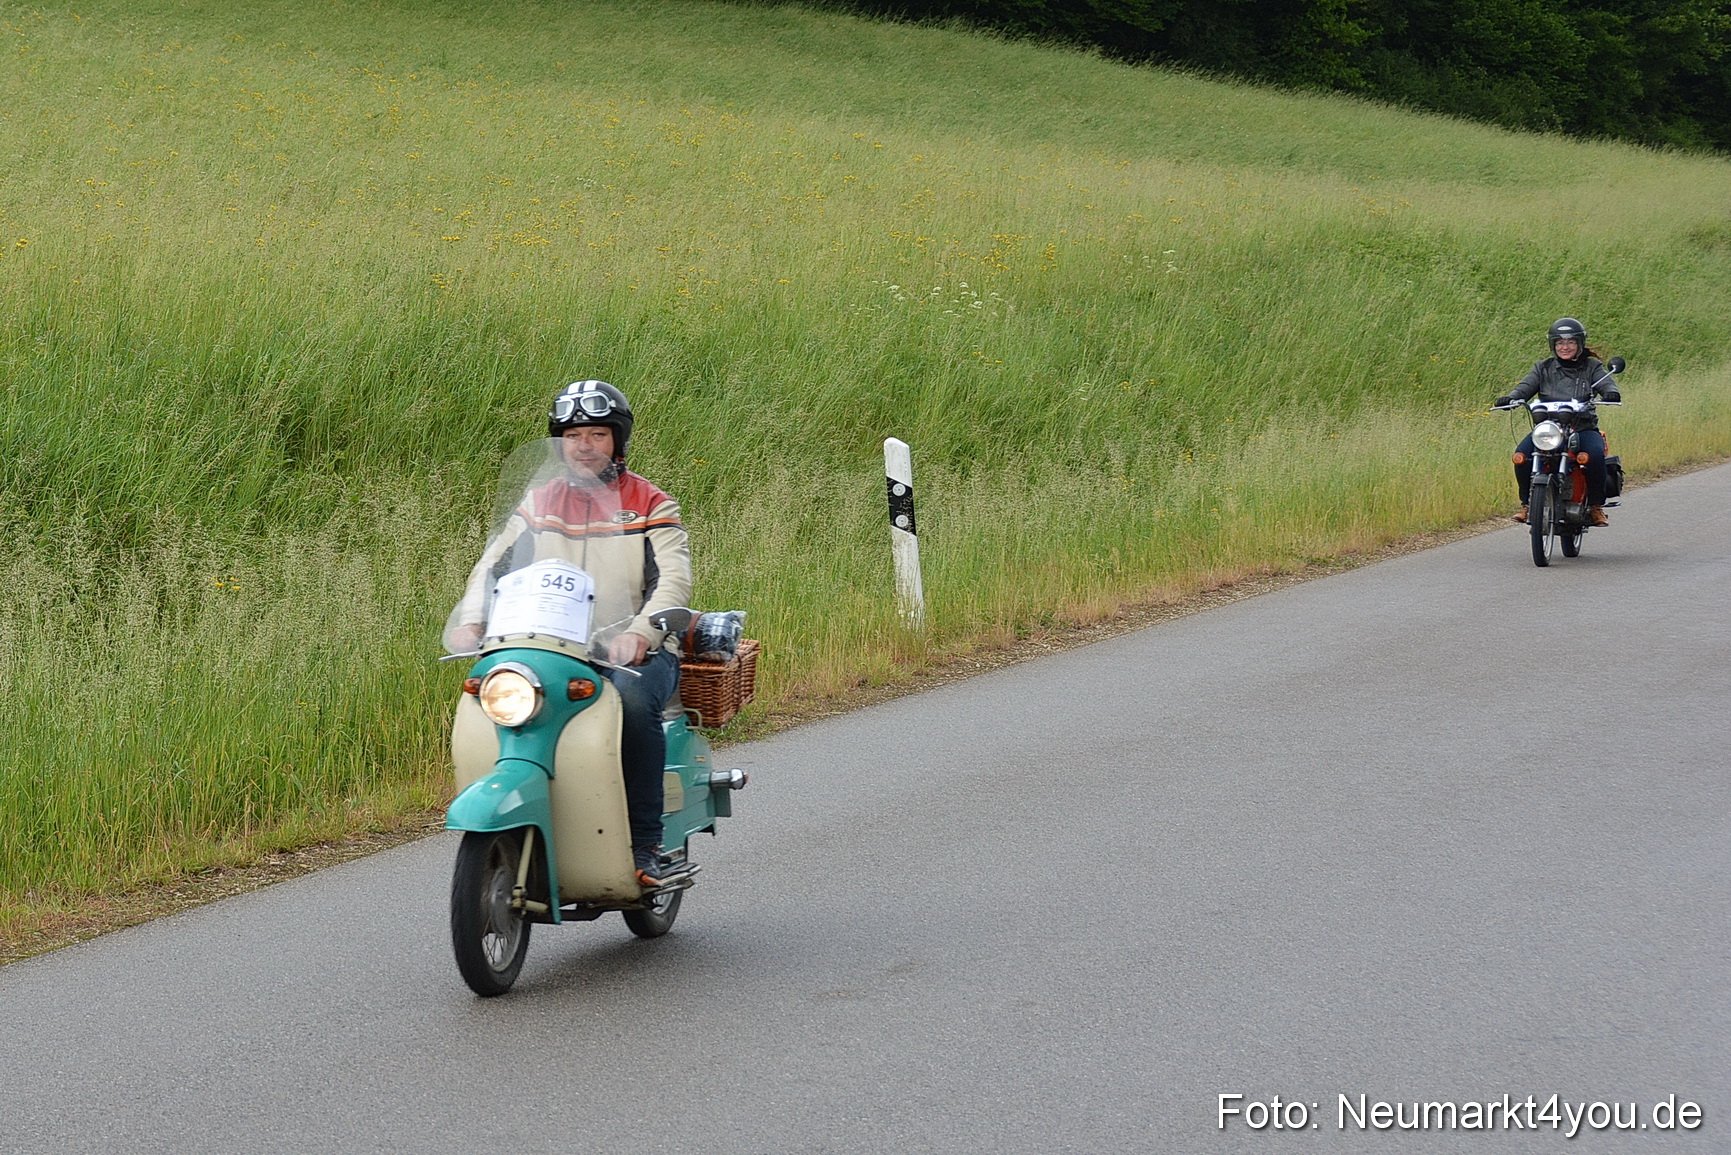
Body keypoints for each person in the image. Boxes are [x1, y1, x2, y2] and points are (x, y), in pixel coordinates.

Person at [447, 380, 692, 887]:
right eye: (574, 434)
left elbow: (674, 578)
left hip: (630, 652)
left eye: (598, 434)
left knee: (631, 702)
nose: (584, 446)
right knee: (497, 689)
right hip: (552, 644)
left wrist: (644, 633)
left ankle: (643, 845)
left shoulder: (649, 502)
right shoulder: (542, 501)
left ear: (617, 441)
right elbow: (491, 565)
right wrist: (472, 620)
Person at [1495, 317, 1621, 526]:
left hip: (1582, 427)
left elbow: (1607, 385)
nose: (1565, 347)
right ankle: (1527, 505)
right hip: (1548, 429)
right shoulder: (1542, 367)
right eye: (1560, 343)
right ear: (1553, 345)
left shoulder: (1592, 367)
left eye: (1570, 342)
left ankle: (1596, 507)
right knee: (1521, 456)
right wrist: (1512, 397)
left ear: (1580, 344)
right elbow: (1525, 387)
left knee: (1594, 456)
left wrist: (1611, 393)